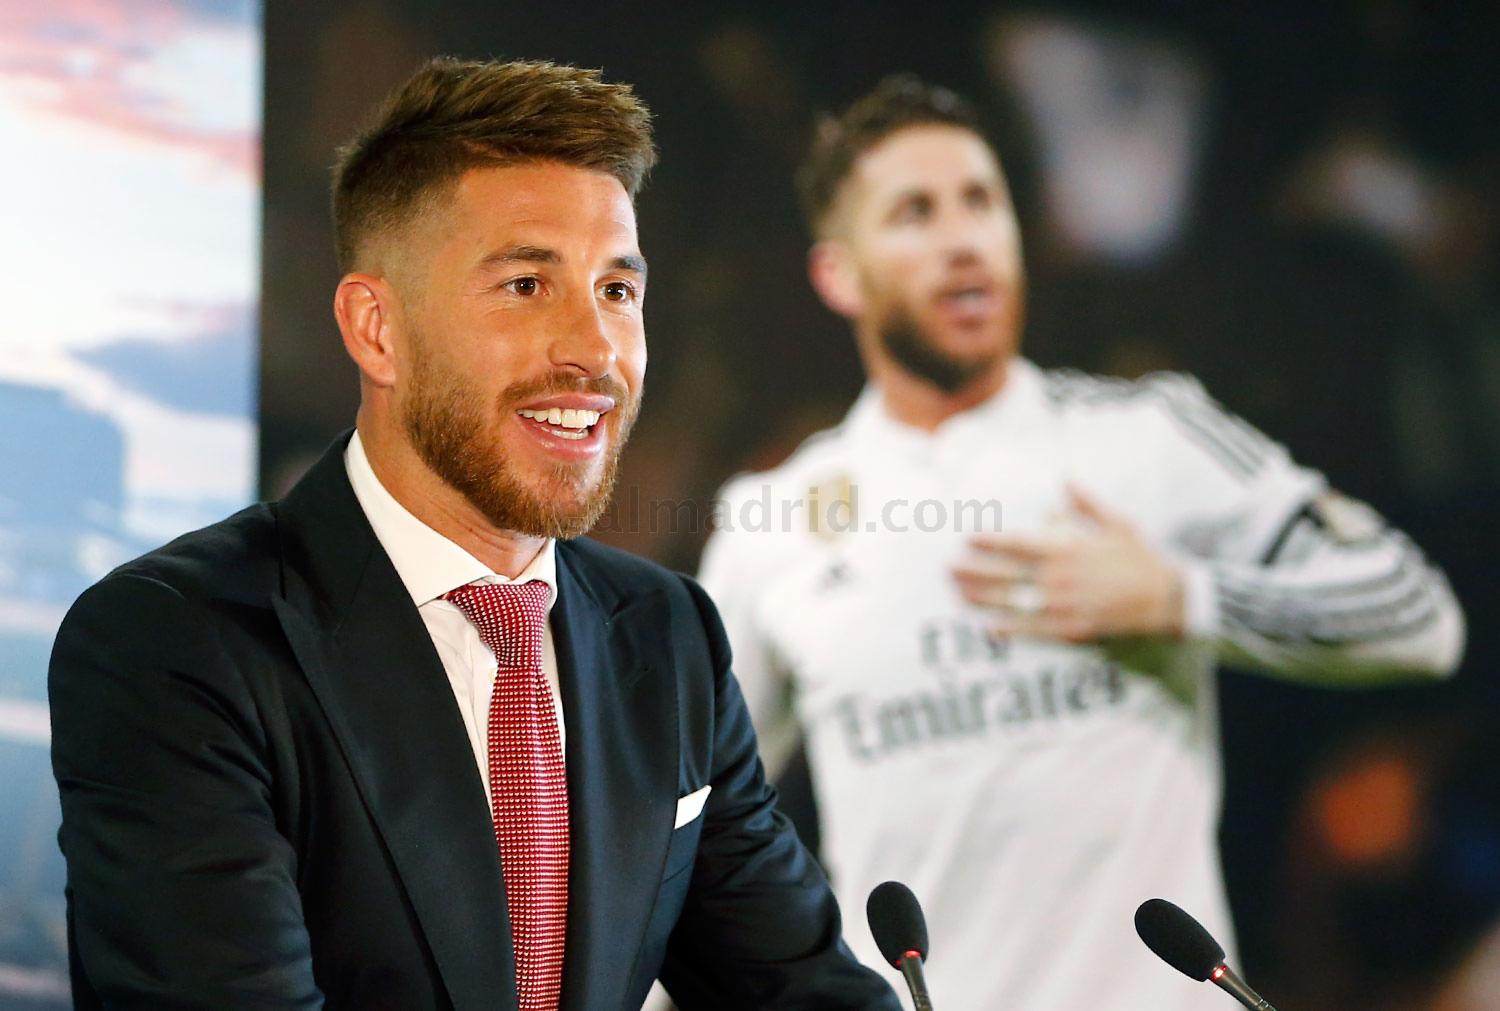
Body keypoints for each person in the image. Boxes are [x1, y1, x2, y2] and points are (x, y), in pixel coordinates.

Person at [48, 58, 899, 1011]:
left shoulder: (668, 636)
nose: (594, 349)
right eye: (527, 284)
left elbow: (802, 988)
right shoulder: (175, 642)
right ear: (377, 329)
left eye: (618, 291)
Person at [697, 75, 1466, 1011]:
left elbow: (1420, 616)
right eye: (914, 213)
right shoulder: (775, 517)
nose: (963, 239)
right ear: (839, 275)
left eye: (982, 201)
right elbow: (690, 824)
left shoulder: (1149, 438)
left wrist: (1181, 597)